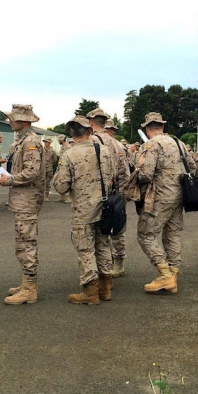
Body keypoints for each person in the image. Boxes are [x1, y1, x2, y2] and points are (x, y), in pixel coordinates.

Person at [53, 116, 115, 304]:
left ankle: (90, 291)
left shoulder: (69, 154)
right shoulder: (104, 150)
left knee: (85, 249)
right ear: (89, 131)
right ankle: (105, 288)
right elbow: (112, 175)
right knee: (103, 245)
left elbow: (61, 186)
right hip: (104, 207)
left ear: (71, 133)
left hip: (83, 209)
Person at [135, 112, 195, 294]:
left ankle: (164, 274)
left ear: (147, 128)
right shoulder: (179, 143)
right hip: (179, 195)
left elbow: (145, 174)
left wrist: (135, 173)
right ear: (162, 127)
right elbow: (192, 166)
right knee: (172, 234)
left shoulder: (151, 144)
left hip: (160, 197)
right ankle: (173, 273)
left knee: (145, 234)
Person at [0, 104, 45, 305]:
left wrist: (8, 180)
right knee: (22, 242)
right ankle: (27, 283)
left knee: (26, 243)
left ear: (24, 121)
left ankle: (30, 288)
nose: (9, 121)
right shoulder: (23, 140)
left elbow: (31, 172)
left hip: (27, 199)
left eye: (12, 118)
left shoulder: (31, 142)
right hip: (22, 199)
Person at [87, 108, 130, 277]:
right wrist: (122, 194)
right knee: (117, 227)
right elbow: (125, 171)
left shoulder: (90, 141)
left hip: (95, 193)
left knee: (96, 231)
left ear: (91, 122)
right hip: (115, 192)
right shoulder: (117, 143)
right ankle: (118, 263)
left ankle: (99, 267)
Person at [103, 117, 132, 276]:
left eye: (108, 129)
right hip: (103, 193)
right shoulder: (100, 143)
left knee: (117, 229)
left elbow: (124, 172)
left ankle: (118, 262)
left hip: (114, 193)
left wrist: (122, 195)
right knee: (103, 229)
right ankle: (107, 262)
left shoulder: (118, 146)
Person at [56, 134, 72, 203]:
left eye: (59, 140)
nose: (58, 141)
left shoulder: (69, 147)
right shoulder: (62, 147)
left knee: (69, 181)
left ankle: (70, 198)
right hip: (61, 166)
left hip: (67, 166)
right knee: (61, 181)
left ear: (62, 140)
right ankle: (62, 197)